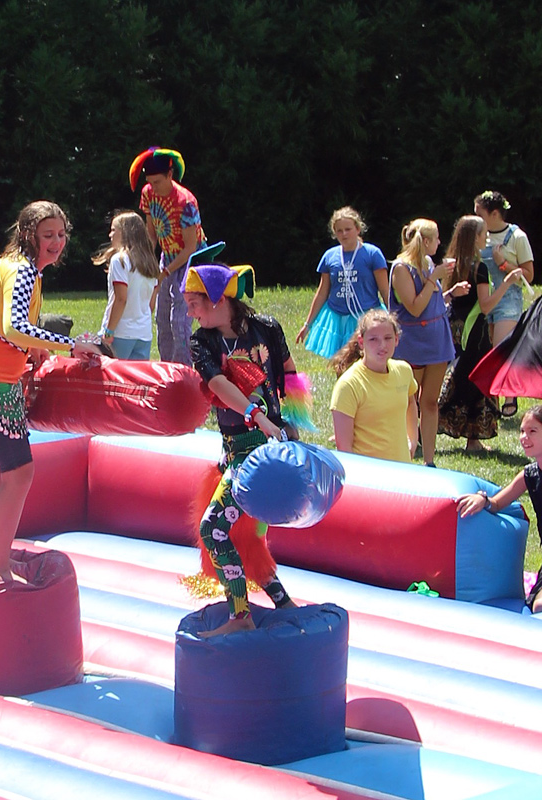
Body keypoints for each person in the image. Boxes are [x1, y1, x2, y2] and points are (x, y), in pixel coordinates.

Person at [0, 201, 102, 580]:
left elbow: (8, 327)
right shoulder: (22, 271)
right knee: (20, 473)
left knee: (11, 471)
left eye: (61, 235)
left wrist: (34, 349)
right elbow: (13, 326)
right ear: (28, 235)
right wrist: (68, 346)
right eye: (47, 234)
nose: (56, 242)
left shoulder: (24, 270)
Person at [184, 250, 298, 637]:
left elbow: (289, 374)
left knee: (214, 530)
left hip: (264, 452)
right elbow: (217, 384)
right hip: (240, 450)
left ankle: (240, 615)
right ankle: (281, 600)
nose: (191, 313)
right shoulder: (203, 341)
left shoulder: (267, 327)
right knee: (241, 531)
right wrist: (257, 416)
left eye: (194, 303)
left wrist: (292, 428)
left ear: (218, 299)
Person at [437, 215, 524, 451]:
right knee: (477, 378)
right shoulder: (480, 268)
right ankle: (473, 439)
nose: (486, 236)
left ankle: (432, 427)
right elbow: (486, 306)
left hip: (453, 328)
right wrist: (506, 283)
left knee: (454, 374)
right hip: (475, 332)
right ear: (474, 237)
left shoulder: (452, 264)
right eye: (483, 232)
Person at [457, 404, 542, 613]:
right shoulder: (529, 476)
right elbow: (497, 503)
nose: (524, 437)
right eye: (522, 431)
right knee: (539, 606)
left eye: (532, 431)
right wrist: (482, 500)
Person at [129, 147, 207, 364]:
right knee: (162, 319)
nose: (153, 187)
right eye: (150, 182)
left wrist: (164, 273)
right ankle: (167, 369)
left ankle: (185, 371)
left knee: (179, 321)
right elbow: (151, 234)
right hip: (168, 258)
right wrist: (145, 262)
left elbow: (190, 247)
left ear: (170, 175)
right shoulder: (148, 194)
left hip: (190, 262)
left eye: (157, 182)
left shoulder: (186, 203)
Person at [389, 218, 455, 467]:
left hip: (437, 339)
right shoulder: (401, 268)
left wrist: (449, 292)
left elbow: (430, 303)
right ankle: (406, 451)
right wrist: (433, 279)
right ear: (425, 241)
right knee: (408, 399)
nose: (439, 242)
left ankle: (429, 461)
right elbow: (415, 308)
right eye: (437, 238)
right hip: (413, 341)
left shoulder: (427, 263)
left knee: (430, 402)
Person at [296, 206, 389, 358]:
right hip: (337, 318)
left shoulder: (372, 253)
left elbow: (385, 290)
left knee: (368, 362)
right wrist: (307, 325)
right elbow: (322, 293)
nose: (344, 234)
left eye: (348, 229)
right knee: (341, 362)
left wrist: (392, 318)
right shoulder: (330, 256)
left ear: (358, 229)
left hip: (366, 315)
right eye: (339, 230)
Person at [473, 190, 535, 418]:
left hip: (508, 299)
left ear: (495, 214)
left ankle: (509, 395)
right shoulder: (480, 236)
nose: (476, 218)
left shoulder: (517, 237)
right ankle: (490, 403)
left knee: (500, 349)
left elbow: (528, 275)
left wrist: (503, 264)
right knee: (485, 350)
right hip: (483, 299)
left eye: (480, 214)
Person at [330, 309, 418, 462]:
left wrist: (413, 440)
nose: (382, 345)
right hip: (369, 479)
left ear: (396, 339)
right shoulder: (348, 385)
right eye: (373, 339)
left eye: (388, 338)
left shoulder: (404, 371)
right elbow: (344, 448)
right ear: (361, 342)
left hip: (404, 472)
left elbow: (411, 402)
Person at [93, 211, 159, 360]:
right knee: (136, 381)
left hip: (120, 333)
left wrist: (109, 331)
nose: (110, 235)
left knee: (113, 379)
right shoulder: (150, 263)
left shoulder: (120, 260)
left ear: (125, 233)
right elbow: (151, 304)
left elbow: (121, 299)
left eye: (114, 230)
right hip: (143, 335)